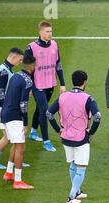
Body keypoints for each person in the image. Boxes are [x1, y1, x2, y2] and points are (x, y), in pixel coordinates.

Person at [47, 70, 102, 203]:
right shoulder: (88, 98)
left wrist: (58, 129)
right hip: (81, 138)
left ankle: (77, 191)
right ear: (85, 82)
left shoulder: (62, 97)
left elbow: (49, 113)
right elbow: (98, 117)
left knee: (72, 163)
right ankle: (71, 196)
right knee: (81, 166)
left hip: (65, 137)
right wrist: (91, 132)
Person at [25, 20, 66, 152]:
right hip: (37, 84)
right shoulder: (31, 47)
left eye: (51, 31)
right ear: (40, 32)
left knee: (40, 108)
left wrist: (62, 84)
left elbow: (58, 65)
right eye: (47, 31)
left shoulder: (54, 44)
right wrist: (29, 87)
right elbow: (27, 69)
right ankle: (46, 141)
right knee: (44, 109)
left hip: (50, 84)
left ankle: (32, 132)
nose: (50, 34)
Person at [0, 57, 36, 189]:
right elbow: (23, 104)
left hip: (5, 113)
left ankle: (9, 173)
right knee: (20, 147)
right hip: (15, 116)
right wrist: (25, 122)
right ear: (31, 66)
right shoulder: (28, 80)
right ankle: (18, 181)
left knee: (15, 144)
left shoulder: (15, 75)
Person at [0, 48, 24, 170]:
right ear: (14, 57)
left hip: (4, 107)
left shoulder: (6, 68)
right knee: (8, 136)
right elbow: (1, 93)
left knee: (13, 135)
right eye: (20, 59)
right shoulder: (4, 72)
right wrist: (4, 110)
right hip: (2, 108)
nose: (20, 62)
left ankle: (16, 159)